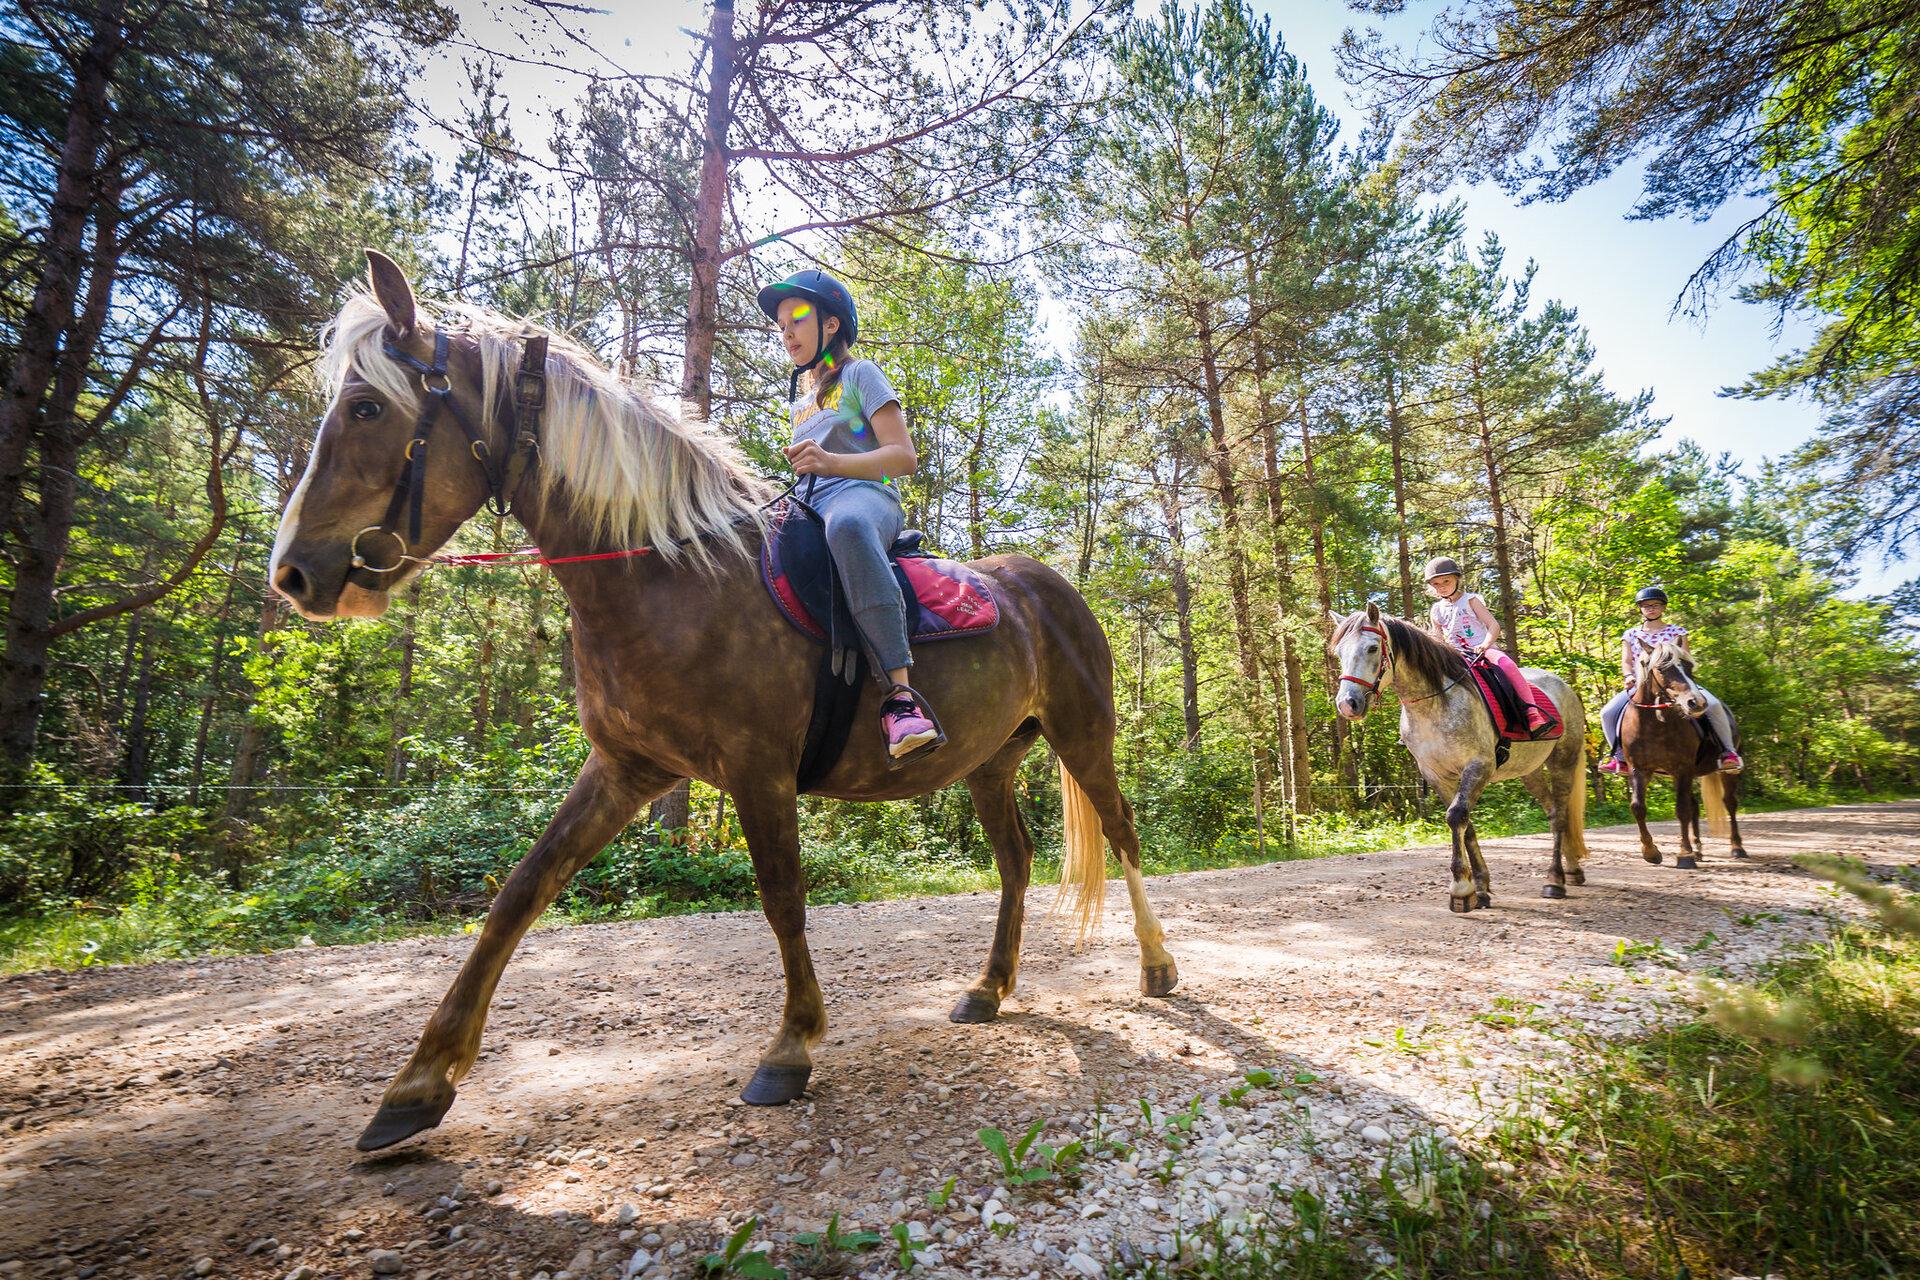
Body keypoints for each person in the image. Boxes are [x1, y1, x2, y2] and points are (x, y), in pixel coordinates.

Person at [757, 268, 944, 765]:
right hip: (808, 502)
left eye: (796, 319)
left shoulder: (861, 374)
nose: (786, 333)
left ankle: (903, 699)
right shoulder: (800, 402)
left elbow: (903, 457)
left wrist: (831, 462)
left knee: (847, 526)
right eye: (780, 325)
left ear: (833, 324)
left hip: (865, 496)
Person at [1598, 586, 1742, 775]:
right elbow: (1626, 661)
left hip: (1678, 683)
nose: (1651, 608)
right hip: (1643, 685)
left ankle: (1728, 753)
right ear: (1640, 608)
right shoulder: (1631, 634)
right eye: (1646, 605)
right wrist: (1629, 676)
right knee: (1607, 712)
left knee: (1713, 705)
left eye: (1655, 605)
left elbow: (1686, 658)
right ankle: (1619, 757)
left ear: (1663, 607)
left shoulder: (1677, 632)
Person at [1421, 557, 1559, 738]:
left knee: (1507, 665)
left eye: (1446, 581)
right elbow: (1438, 638)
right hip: (1455, 654)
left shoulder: (1471, 601)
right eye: (1436, 584)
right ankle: (1420, 725)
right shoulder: (1436, 610)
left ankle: (1532, 713)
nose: (1442, 587)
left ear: (1457, 579)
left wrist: (1485, 644)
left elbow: (1493, 625)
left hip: (1481, 649)